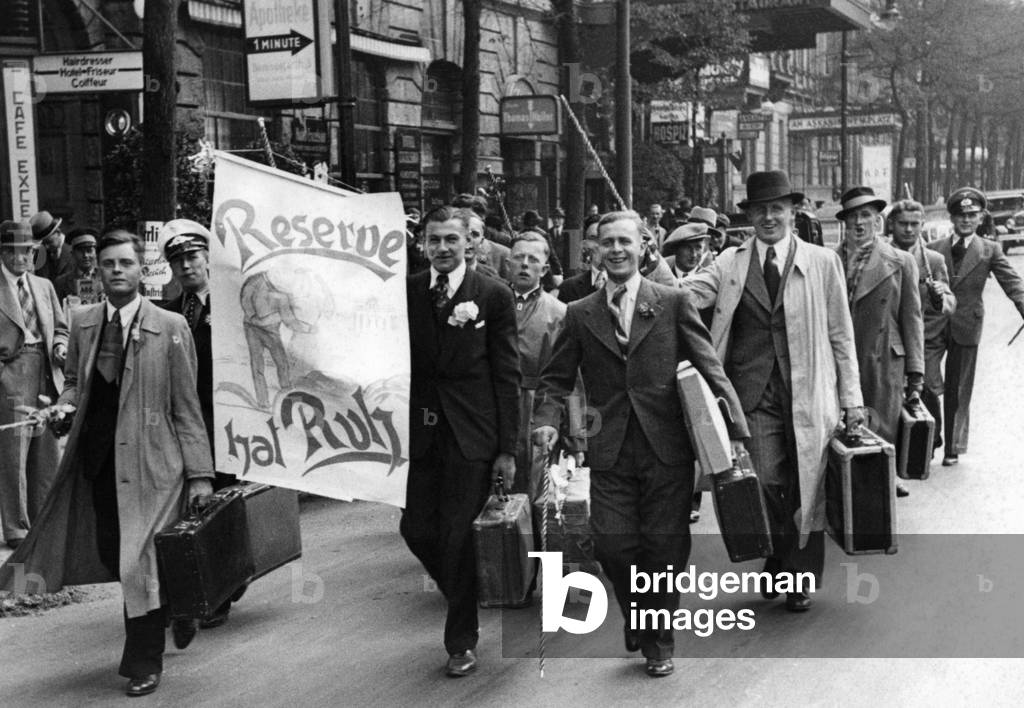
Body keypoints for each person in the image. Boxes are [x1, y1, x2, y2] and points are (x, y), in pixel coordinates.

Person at [533, 210, 748, 677]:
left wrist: (735, 428)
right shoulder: (580, 312)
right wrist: (548, 421)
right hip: (608, 448)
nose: (615, 250)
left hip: (667, 447)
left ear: (644, 245)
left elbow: (709, 364)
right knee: (613, 547)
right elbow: (556, 378)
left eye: (624, 242)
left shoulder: (671, 302)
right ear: (593, 250)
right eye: (606, 242)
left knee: (664, 548)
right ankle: (637, 613)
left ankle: (658, 641)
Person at [0, 229, 213, 696]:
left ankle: (143, 661)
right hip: (98, 465)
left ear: (142, 271)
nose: (117, 270)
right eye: (110, 264)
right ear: (99, 270)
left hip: (156, 466)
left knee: (137, 561)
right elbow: (75, 384)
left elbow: (186, 407)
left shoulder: (170, 327)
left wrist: (200, 475)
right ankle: (177, 601)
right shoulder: (83, 321)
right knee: (118, 553)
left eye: (126, 263)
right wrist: (60, 410)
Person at [683, 171, 864, 612]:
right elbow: (686, 294)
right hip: (750, 398)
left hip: (809, 393)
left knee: (807, 485)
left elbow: (842, 335)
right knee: (763, 480)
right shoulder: (729, 263)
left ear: (792, 212)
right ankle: (780, 556)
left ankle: (796, 576)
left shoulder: (822, 262)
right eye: (760, 209)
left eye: (777, 208)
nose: (769, 217)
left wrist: (852, 399)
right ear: (749, 217)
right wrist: (649, 271)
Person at [402, 206, 519, 677]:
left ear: (468, 244)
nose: (443, 249)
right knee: (416, 530)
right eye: (434, 241)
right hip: (422, 431)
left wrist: (506, 449)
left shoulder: (492, 295)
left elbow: (506, 375)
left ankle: (460, 640)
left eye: (452, 240)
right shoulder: (406, 292)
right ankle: (466, 593)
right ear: (423, 244)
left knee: (456, 536)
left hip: (473, 436)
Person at [835, 187, 925, 498]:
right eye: (851, 217)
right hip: (844, 355)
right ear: (844, 223)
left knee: (883, 420)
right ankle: (852, 484)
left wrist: (916, 371)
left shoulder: (899, 261)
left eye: (865, 216)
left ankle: (886, 479)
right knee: (844, 422)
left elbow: (912, 318)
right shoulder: (830, 260)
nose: (858, 223)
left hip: (884, 355)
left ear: (878, 221)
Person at [927, 187, 1024, 466]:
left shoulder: (989, 250)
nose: (965, 220)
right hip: (934, 325)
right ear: (951, 218)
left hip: (967, 324)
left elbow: (1013, 283)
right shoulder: (934, 250)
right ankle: (932, 435)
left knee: (959, 389)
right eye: (960, 215)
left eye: (971, 215)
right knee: (926, 381)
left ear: (981, 217)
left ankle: (953, 448)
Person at [0, 220, 68, 548]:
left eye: (28, 250)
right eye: (15, 251)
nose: (23, 257)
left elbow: (62, 326)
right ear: (3, 252)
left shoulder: (44, 286)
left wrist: (59, 345)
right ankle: (16, 529)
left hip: (44, 366)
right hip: (11, 370)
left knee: (45, 450)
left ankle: (42, 521)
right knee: (14, 450)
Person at [888, 199, 956, 454]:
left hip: (925, 337)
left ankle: (928, 437)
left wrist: (940, 295)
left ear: (922, 225)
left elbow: (949, 303)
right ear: (892, 224)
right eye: (903, 224)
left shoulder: (933, 261)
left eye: (914, 224)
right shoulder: (881, 255)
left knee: (924, 384)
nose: (908, 229)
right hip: (890, 337)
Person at [508, 232, 569, 500]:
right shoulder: (490, 301)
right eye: (518, 258)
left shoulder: (558, 311)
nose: (524, 264)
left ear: (544, 269)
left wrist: (576, 437)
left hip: (536, 406)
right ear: (508, 263)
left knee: (536, 487)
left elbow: (568, 376)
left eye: (532, 259)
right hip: (494, 404)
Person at [557, 223, 605, 304]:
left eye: (605, 239)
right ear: (585, 244)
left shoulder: (628, 285)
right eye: (593, 238)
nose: (598, 245)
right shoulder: (568, 288)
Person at [53, 227, 103, 304]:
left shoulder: (105, 277)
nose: (85, 255)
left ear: (95, 253)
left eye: (89, 251)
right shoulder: (61, 283)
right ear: (73, 254)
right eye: (81, 251)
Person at [29, 211, 74, 283]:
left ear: (58, 232)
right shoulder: (39, 255)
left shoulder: (75, 252)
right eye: (43, 243)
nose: (46, 247)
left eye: (49, 242)